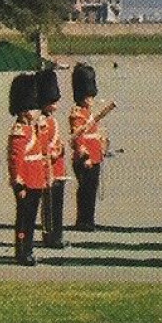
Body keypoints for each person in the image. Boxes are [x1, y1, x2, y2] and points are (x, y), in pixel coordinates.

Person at [6, 72, 50, 266]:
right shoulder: (20, 131)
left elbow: (41, 151)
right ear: (24, 110)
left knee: (31, 219)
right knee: (24, 220)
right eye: (33, 108)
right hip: (26, 182)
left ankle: (28, 248)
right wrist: (18, 181)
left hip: (36, 180)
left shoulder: (32, 129)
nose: (37, 111)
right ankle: (22, 250)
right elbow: (16, 159)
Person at [69, 63, 107, 231]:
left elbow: (96, 134)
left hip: (95, 156)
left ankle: (89, 219)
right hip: (85, 159)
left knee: (91, 190)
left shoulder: (89, 113)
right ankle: (83, 220)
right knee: (85, 190)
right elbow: (78, 138)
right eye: (88, 96)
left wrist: (103, 145)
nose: (91, 100)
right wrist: (85, 157)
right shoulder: (77, 114)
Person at [37, 68, 67, 250]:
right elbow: (40, 145)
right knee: (49, 206)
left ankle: (57, 235)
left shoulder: (52, 121)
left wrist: (60, 148)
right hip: (48, 169)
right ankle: (50, 236)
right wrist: (54, 152)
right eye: (52, 100)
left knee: (57, 206)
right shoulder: (41, 121)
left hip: (58, 168)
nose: (55, 103)